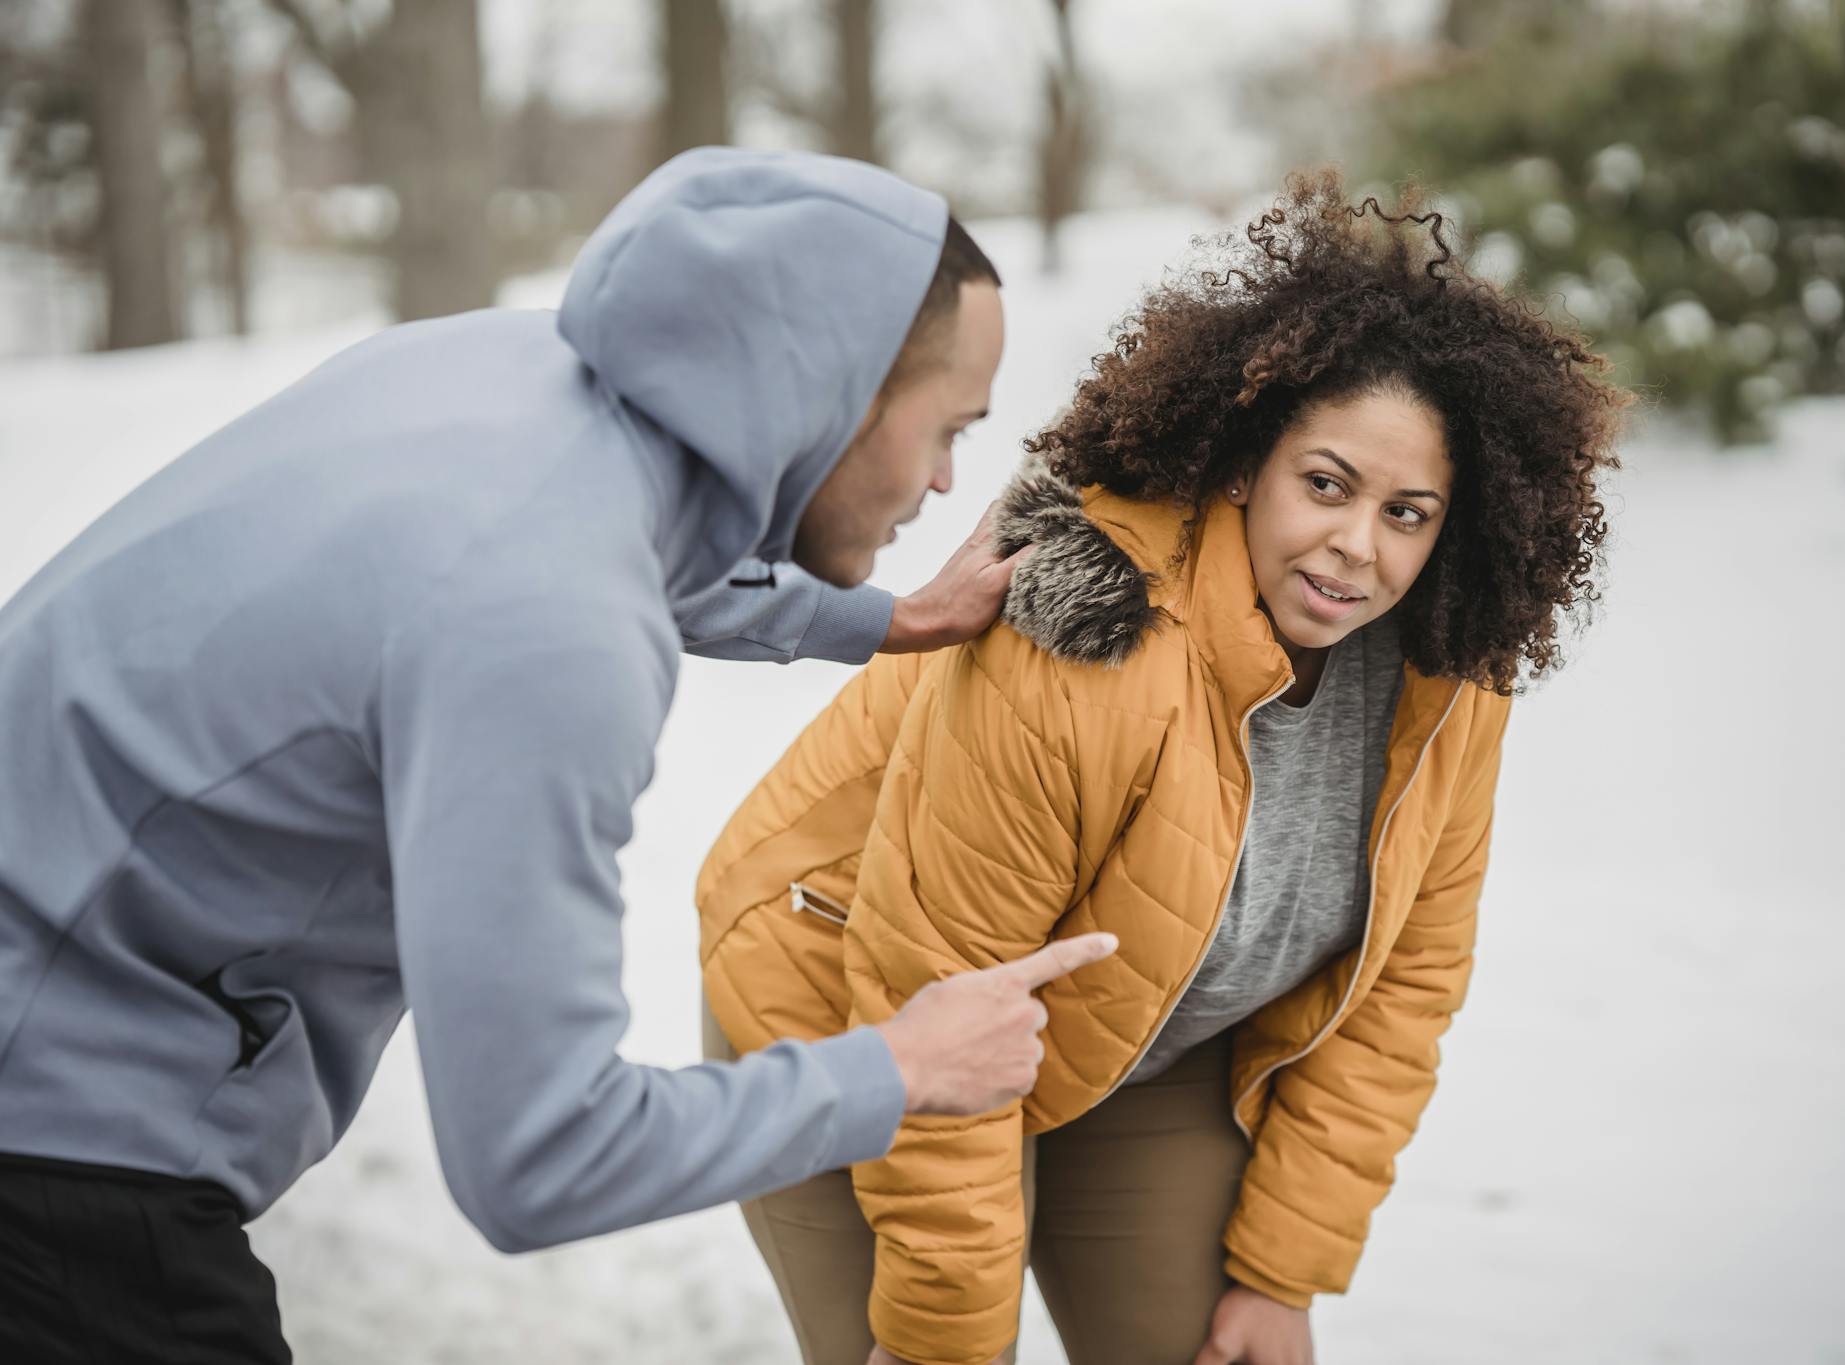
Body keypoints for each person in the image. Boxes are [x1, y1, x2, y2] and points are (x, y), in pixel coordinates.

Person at [0, 147, 1114, 1363]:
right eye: (945, 429)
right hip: (61, 1147)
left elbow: (614, 531)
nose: (949, 480)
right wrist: (898, 1068)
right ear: (829, 393)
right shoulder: (547, 634)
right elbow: (539, 1155)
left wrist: (872, 619)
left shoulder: (497, 371)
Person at [694, 171, 1631, 1365]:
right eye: (1326, 485)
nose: (1356, 545)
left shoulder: (1448, 687)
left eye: (1407, 512)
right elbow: (930, 968)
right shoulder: (1088, 635)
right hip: (849, 995)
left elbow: (1397, 996)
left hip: (1134, 1050)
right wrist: (941, 1341)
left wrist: (1279, 1275)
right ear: (1246, 462)